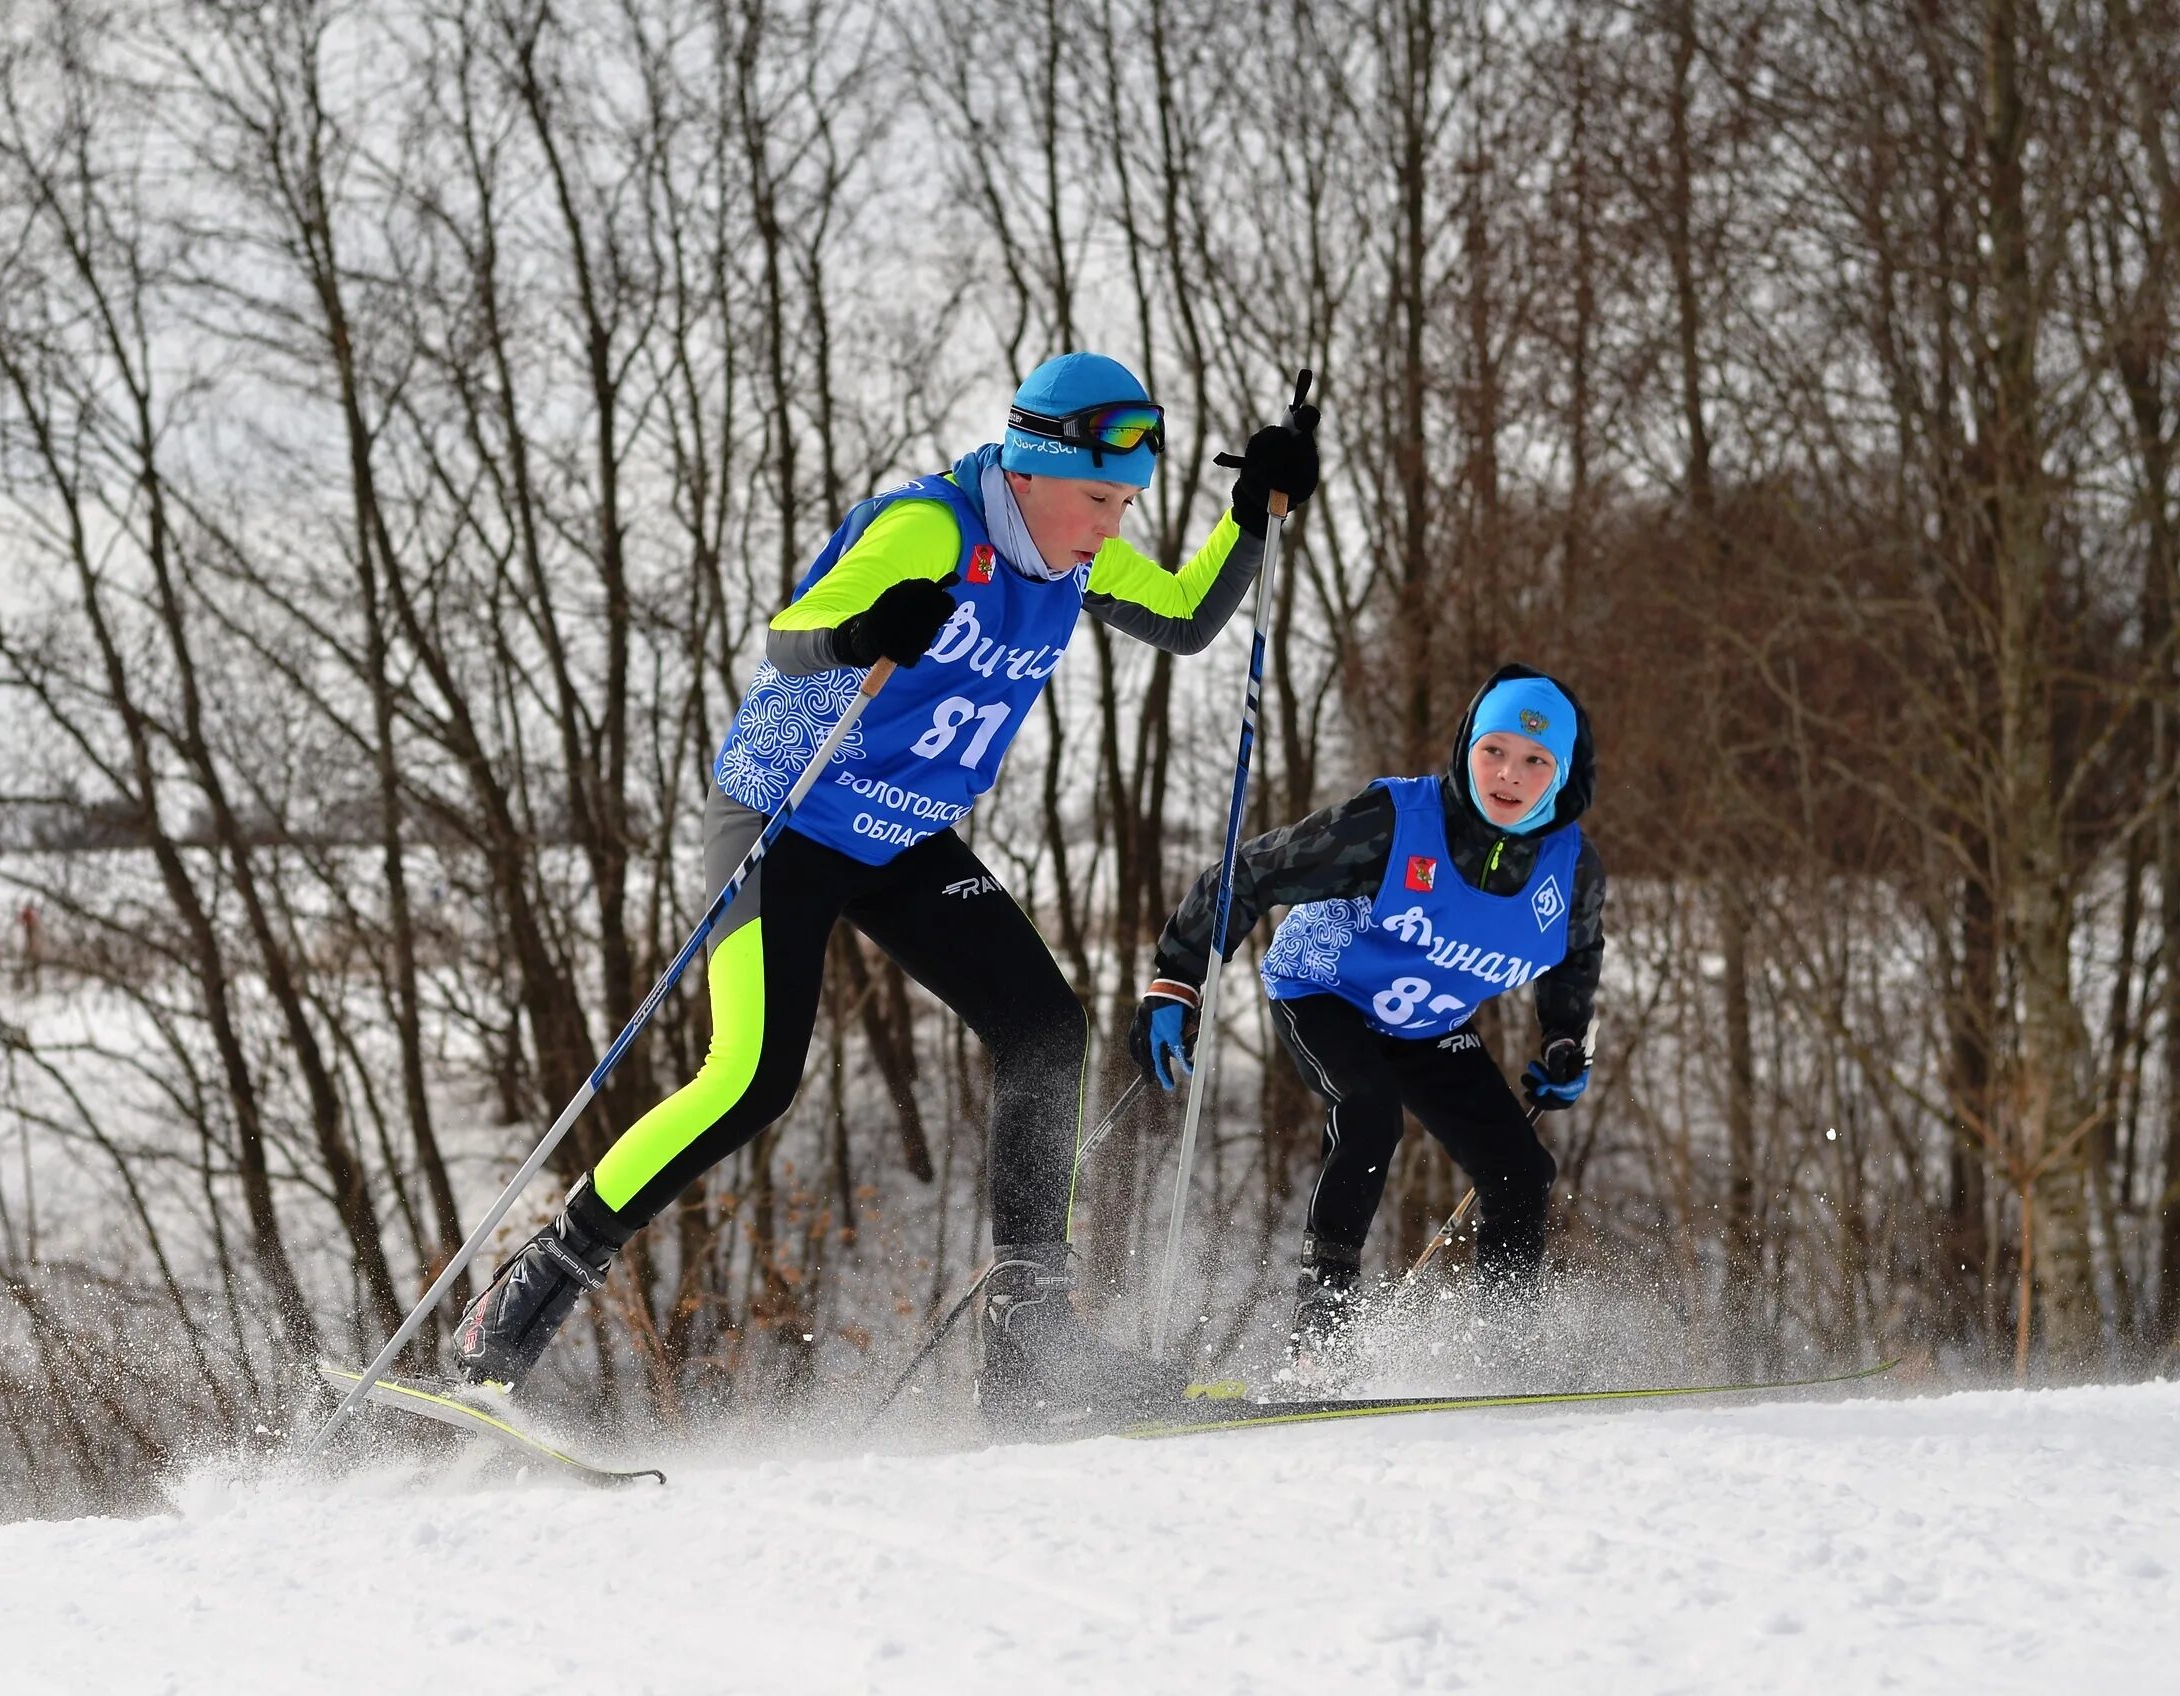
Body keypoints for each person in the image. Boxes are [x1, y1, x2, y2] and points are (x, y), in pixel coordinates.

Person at [452, 352, 1319, 1430]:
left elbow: (1187, 618)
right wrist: (864, 634)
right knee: (753, 1076)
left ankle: (1029, 1343)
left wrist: (1251, 512)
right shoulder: (930, 528)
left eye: (1127, 503)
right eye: (1100, 497)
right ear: (1033, 469)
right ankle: (517, 1301)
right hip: (787, 816)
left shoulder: (1073, 560)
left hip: (902, 836)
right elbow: (789, 635)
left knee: (1044, 1029)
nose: (1111, 523)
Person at [1129, 665, 1606, 1361]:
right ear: (1466, 746)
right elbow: (1252, 872)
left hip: (1427, 1027)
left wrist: (1565, 1036)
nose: (1509, 775)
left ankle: (1506, 1353)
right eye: (1494, 750)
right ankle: (1322, 1341)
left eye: (1537, 761)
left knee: (1521, 1171)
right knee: (1369, 1111)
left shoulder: (1573, 870)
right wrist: (1178, 975)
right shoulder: (1396, 825)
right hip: (1324, 991)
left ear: (1562, 774)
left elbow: (1577, 953)